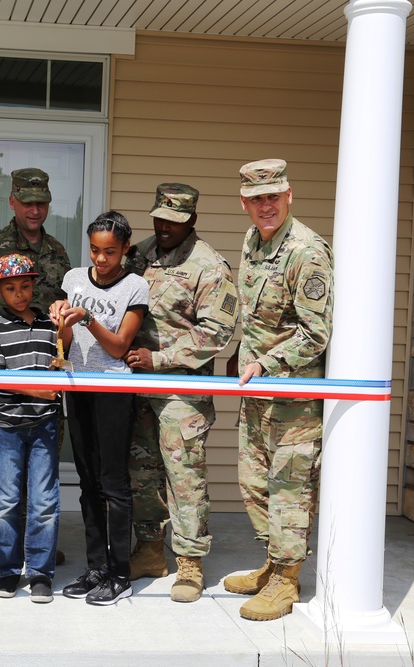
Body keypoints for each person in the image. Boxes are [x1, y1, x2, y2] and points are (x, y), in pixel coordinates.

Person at [224, 159, 333, 621]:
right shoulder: (254, 241)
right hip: (258, 394)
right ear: (244, 203)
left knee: (289, 489)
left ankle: (287, 580)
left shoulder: (306, 252)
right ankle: (273, 563)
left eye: (274, 197)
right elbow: (256, 317)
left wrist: (264, 363)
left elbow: (315, 333)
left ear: (289, 196)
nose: (265, 206)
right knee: (254, 484)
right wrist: (242, 354)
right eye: (256, 199)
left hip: (293, 396)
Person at [123, 184, 239, 603]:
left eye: (174, 221)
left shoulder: (209, 266)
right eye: (159, 218)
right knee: (142, 474)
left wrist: (160, 358)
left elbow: (216, 333)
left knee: (184, 479)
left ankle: (189, 563)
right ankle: (150, 549)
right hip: (137, 387)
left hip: (181, 391)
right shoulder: (139, 254)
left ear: (191, 220)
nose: (164, 227)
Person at [0, 168, 71, 527]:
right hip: (1, 371)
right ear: (12, 202)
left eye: (41, 203)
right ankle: (6, 540)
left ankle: (36, 539)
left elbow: (62, 312)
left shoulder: (57, 252)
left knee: (42, 460)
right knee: (2, 460)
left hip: (45, 376)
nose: (34, 210)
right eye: (26, 203)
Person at [50, 211, 148, 606]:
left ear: (125, 249)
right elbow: (65, 339)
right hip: (78, 386)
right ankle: (95, 568)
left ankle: (119, 572)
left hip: (113, 389)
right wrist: (62, 318)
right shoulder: (73, 280)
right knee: (87, 482)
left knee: (113, 483)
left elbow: (119, 346)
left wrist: (88, 317)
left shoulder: (135, 286)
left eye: (110, 251)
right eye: (94, 250)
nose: (101, 259)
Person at [0, 254, 62, 603]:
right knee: (6, 502)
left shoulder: (49, 323)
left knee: (44, 501)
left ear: (34, 285)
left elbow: (60, 363)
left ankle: (41, 572)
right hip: (7, 427)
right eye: (11, 288)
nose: (20, 294)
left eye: (26, 286)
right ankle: (8, 571)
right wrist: (37, 388)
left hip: (45, 424)